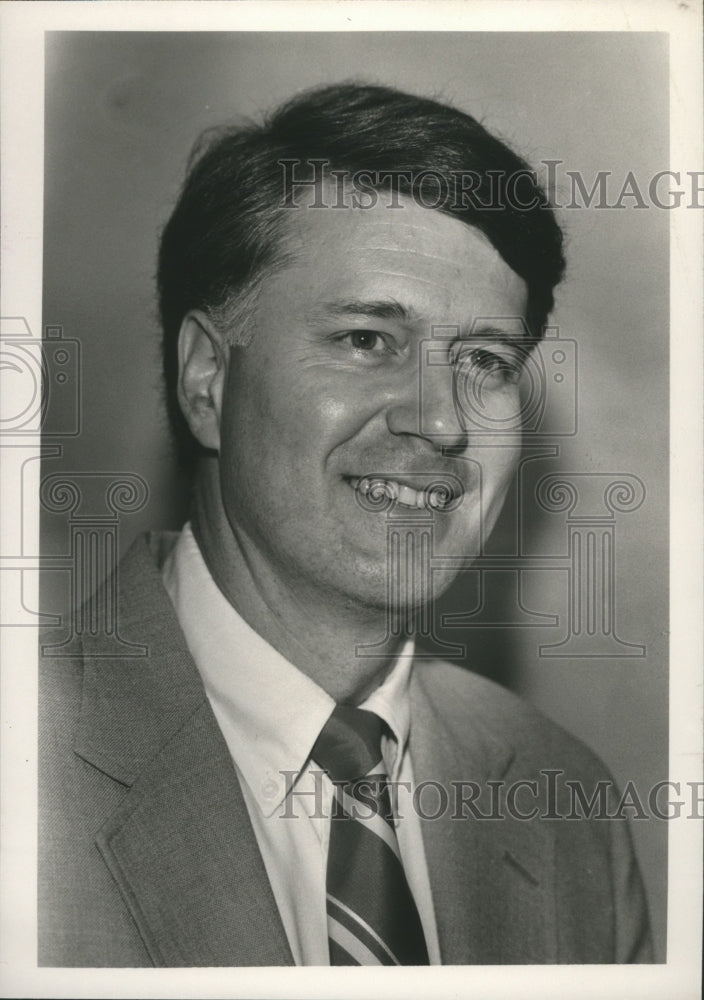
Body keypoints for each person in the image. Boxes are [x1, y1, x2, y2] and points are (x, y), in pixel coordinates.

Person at [39, 83, 652, 967]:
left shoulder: (568, 814)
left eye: (484, 360)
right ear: (208, 377)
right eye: (368, 340)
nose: (442, 422)